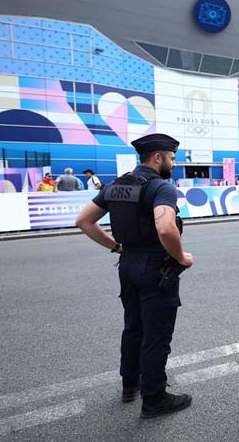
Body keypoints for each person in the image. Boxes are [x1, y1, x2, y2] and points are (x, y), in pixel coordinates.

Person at [75, 133, 194, 418]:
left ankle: (130, 384)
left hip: (127, 265)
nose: (174, 164)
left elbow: (83, 221)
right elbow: (166, 228)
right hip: (156, 268)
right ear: (158, 157)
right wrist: (181, 257)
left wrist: (115, 247)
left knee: (133, 326)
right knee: (156, 334)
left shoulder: (116, 185)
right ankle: (154, 398)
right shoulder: (161, 188)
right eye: (172, 158)